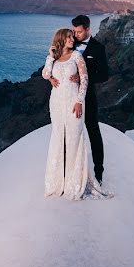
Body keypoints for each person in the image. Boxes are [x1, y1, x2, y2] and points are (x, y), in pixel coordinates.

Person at [42, 28, 111, 200]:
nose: (72, 40)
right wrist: (50, 57)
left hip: (74, 102)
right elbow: (45, 74)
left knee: (74, 139)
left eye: (73, 37)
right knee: (58, 138)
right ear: (61, 39)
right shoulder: (54, 58)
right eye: (69, 37)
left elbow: (85, 80)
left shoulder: (77, 57)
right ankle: (58, 181)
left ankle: (74, 182)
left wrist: (80, 101)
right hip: (57, 103)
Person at [71, 14, 108, 184]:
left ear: (87, 29)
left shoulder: (98, 48)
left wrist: (83, 77)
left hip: (88, 97)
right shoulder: (70, 43)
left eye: (79, 32)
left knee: (93, 132)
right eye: (74, 31)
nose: (76, 34)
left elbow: (104, 75)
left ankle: (98, 171)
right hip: (69, 96)